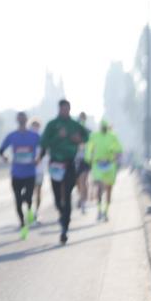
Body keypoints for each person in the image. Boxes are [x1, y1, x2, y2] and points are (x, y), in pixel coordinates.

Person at [38, 99, 90, 244]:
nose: (65, 111)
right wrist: (57, 137)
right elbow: (43, 143)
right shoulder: (52, 125)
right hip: (55, 164)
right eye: (63, 109)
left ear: (70, 109)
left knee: (67, 195)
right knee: (57, 196)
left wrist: (78, 139)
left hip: (69, 163)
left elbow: (86, 137)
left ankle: (65, 228)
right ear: (59, 109)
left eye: (68, 109)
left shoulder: (74, 125)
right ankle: (61, 212)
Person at [0, 112, 41, 239]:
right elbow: (1, 150)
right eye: (20, 117)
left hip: (30, 172)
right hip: (16, 173)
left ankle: (29, 211)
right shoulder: (12, 136)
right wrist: (4, 157)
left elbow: (44, 147)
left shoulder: (34, 136)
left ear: (26, 119)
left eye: (24, 117)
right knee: (17, 201)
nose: (22, 119)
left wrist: (39, 158)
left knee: (28, 197)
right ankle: (22, 223)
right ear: (17, 119)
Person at [85, 119, 124, 221]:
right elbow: (89, 147)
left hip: (110, 165)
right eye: (102, 127)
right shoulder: (94, 136)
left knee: (109, 189)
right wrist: (88, 158)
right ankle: (99, 211)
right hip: (97, 164)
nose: (104, 129)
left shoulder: (113, 136)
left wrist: (115, 154)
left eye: (105, 127)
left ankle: (106, 212)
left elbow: (119, 149)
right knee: (99, 187)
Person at [29, 119, 46, 225]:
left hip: (39, 169)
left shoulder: (42, 139)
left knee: (38, 191)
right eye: (33, 126)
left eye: (37, 126)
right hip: (28, 171)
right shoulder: (27, 138)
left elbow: (44, 151)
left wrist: (39, 159)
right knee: (30, 192)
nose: (35, 128)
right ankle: (30, 213)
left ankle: (36, 212)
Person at [75, 111, 92, 214]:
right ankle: (81, 197)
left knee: (83, 180)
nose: (82, 119)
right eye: (80, 118)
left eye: (83, 118)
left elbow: (93, 145)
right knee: (78, 182)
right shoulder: (74, 131)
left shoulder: (88, 132)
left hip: (85, 159)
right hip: (76, 159)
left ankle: (83, 202)